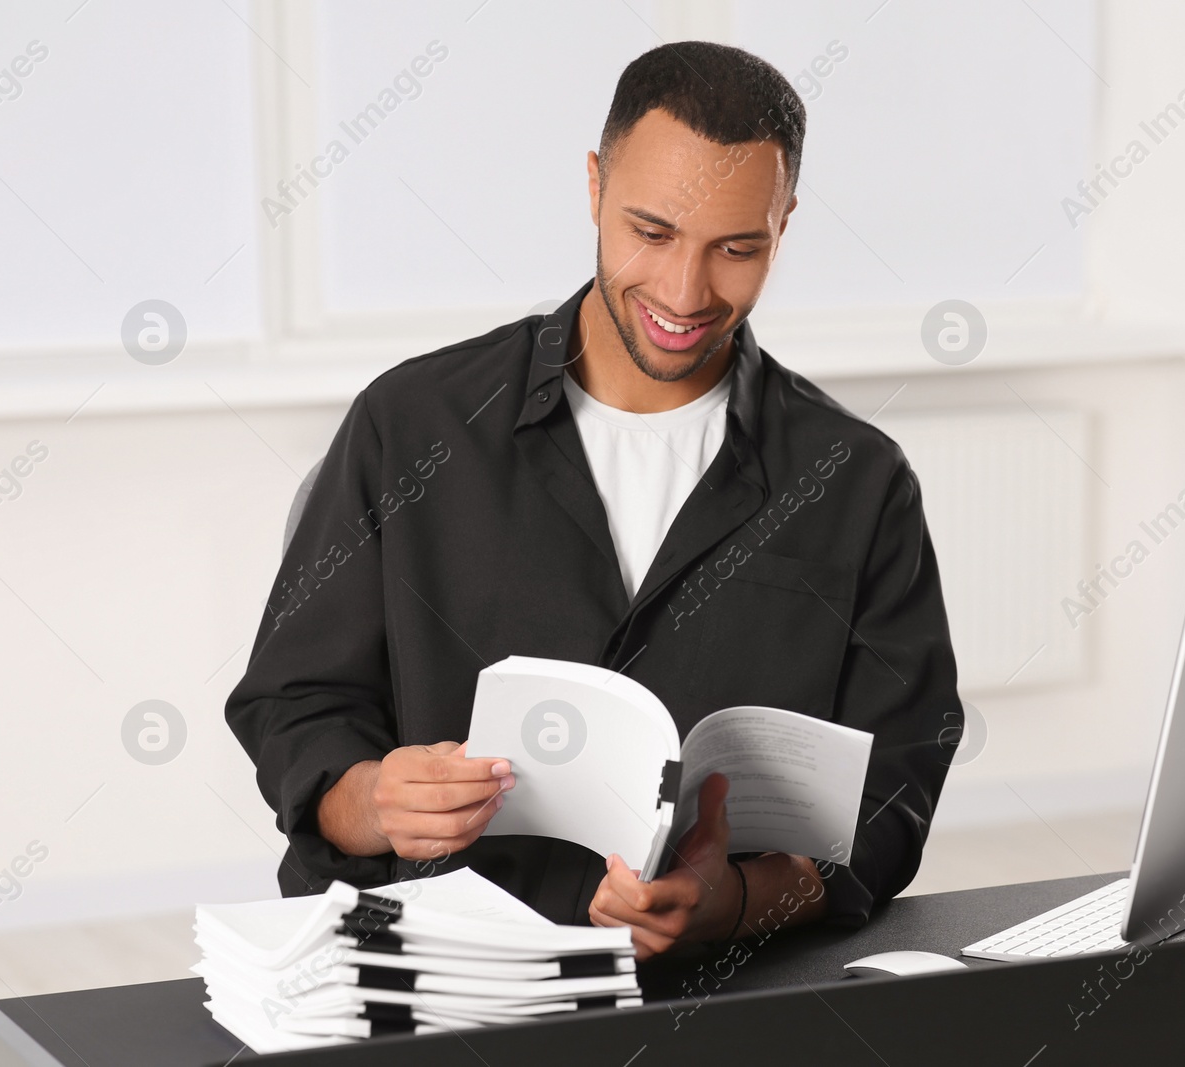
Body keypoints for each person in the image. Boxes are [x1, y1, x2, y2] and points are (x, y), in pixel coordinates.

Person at [226, 40, 962, 960]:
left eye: (737, 248)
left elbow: (898, 782)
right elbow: (294, 701)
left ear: (785, 224)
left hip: (718, 991)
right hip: (437, 979)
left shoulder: (856, 478)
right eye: (651, 233)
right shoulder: (411, 425)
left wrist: (731, 900)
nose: (686, 292)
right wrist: (373, 799)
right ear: (593, 187)